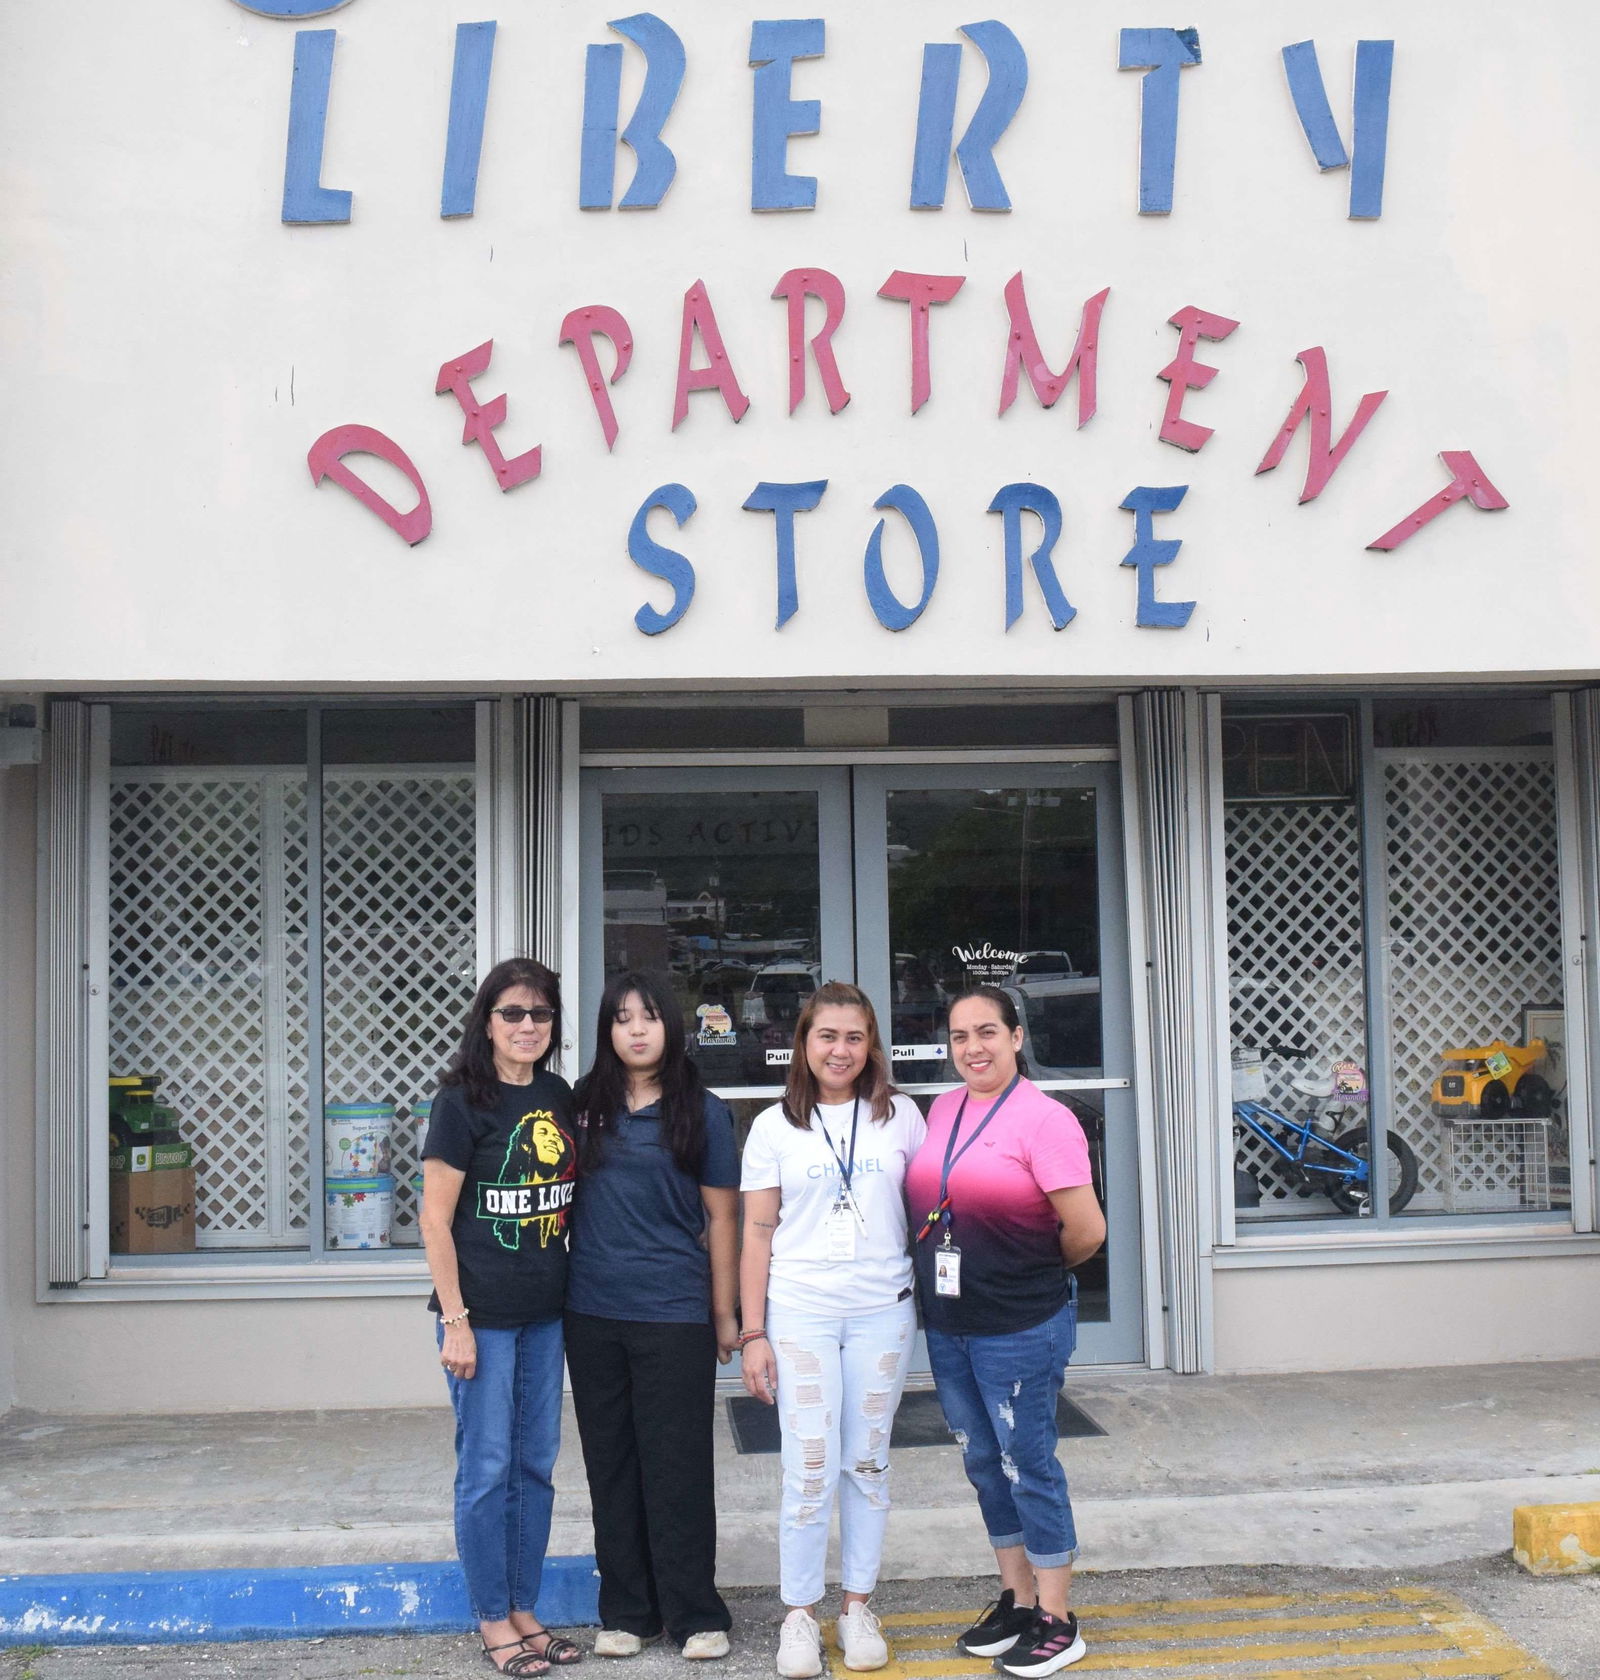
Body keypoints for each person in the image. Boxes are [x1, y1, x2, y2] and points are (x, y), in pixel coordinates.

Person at [904, 985, 1105, 1679]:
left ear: (1017, 1037)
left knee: (1029, 1465)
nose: (973, 1048)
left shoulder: (1046, 1120)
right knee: (983, 1462)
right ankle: (1017, 1599)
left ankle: (1058, 1617)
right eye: (959, 1036)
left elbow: (1085, 1232)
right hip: (951, 1322)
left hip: (1021, 1324)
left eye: (987, 1032)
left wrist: (1024, 1273)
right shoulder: (944, 1108)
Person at [739, 982, 928, 1679]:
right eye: (827, 1036)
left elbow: (933, 1209)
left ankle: (856, 1606)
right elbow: (756, 1233)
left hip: (883, 1309)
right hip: (800, 1311)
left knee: (869, 1460)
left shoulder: (902, 1117)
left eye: (854, 1037)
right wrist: (751, 1330)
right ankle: (798, 1614)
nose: (840, 1050)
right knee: (809, 1463)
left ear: (871, 1045)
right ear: (804, 1044)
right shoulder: (773, 1127)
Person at [566, 971, 739, 1661]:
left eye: (648, 1017)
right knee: (612, 1465)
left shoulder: (703, 1110)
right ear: (607, 1031)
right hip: (592, 1310)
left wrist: (724, 1314)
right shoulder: (582, 1107)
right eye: (621, 1018)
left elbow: (724, 1216)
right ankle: (628, 1613)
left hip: (674, 1313)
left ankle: (696, 1613)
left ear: (671, 1025)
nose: (636, 1029)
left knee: (678, 1465)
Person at [420, 956, 583, 1678]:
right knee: (486, 1469)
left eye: (539, 1014)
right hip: (479, 1317)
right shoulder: (462, 1101)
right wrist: (454, 1319)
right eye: (512, 1013)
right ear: (487, 1021)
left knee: (535, 1467)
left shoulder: (558, 1094)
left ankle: (524, 1607)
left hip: (546, 1315)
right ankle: (492, 1617)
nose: (526, 1025)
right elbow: (433, 1220)